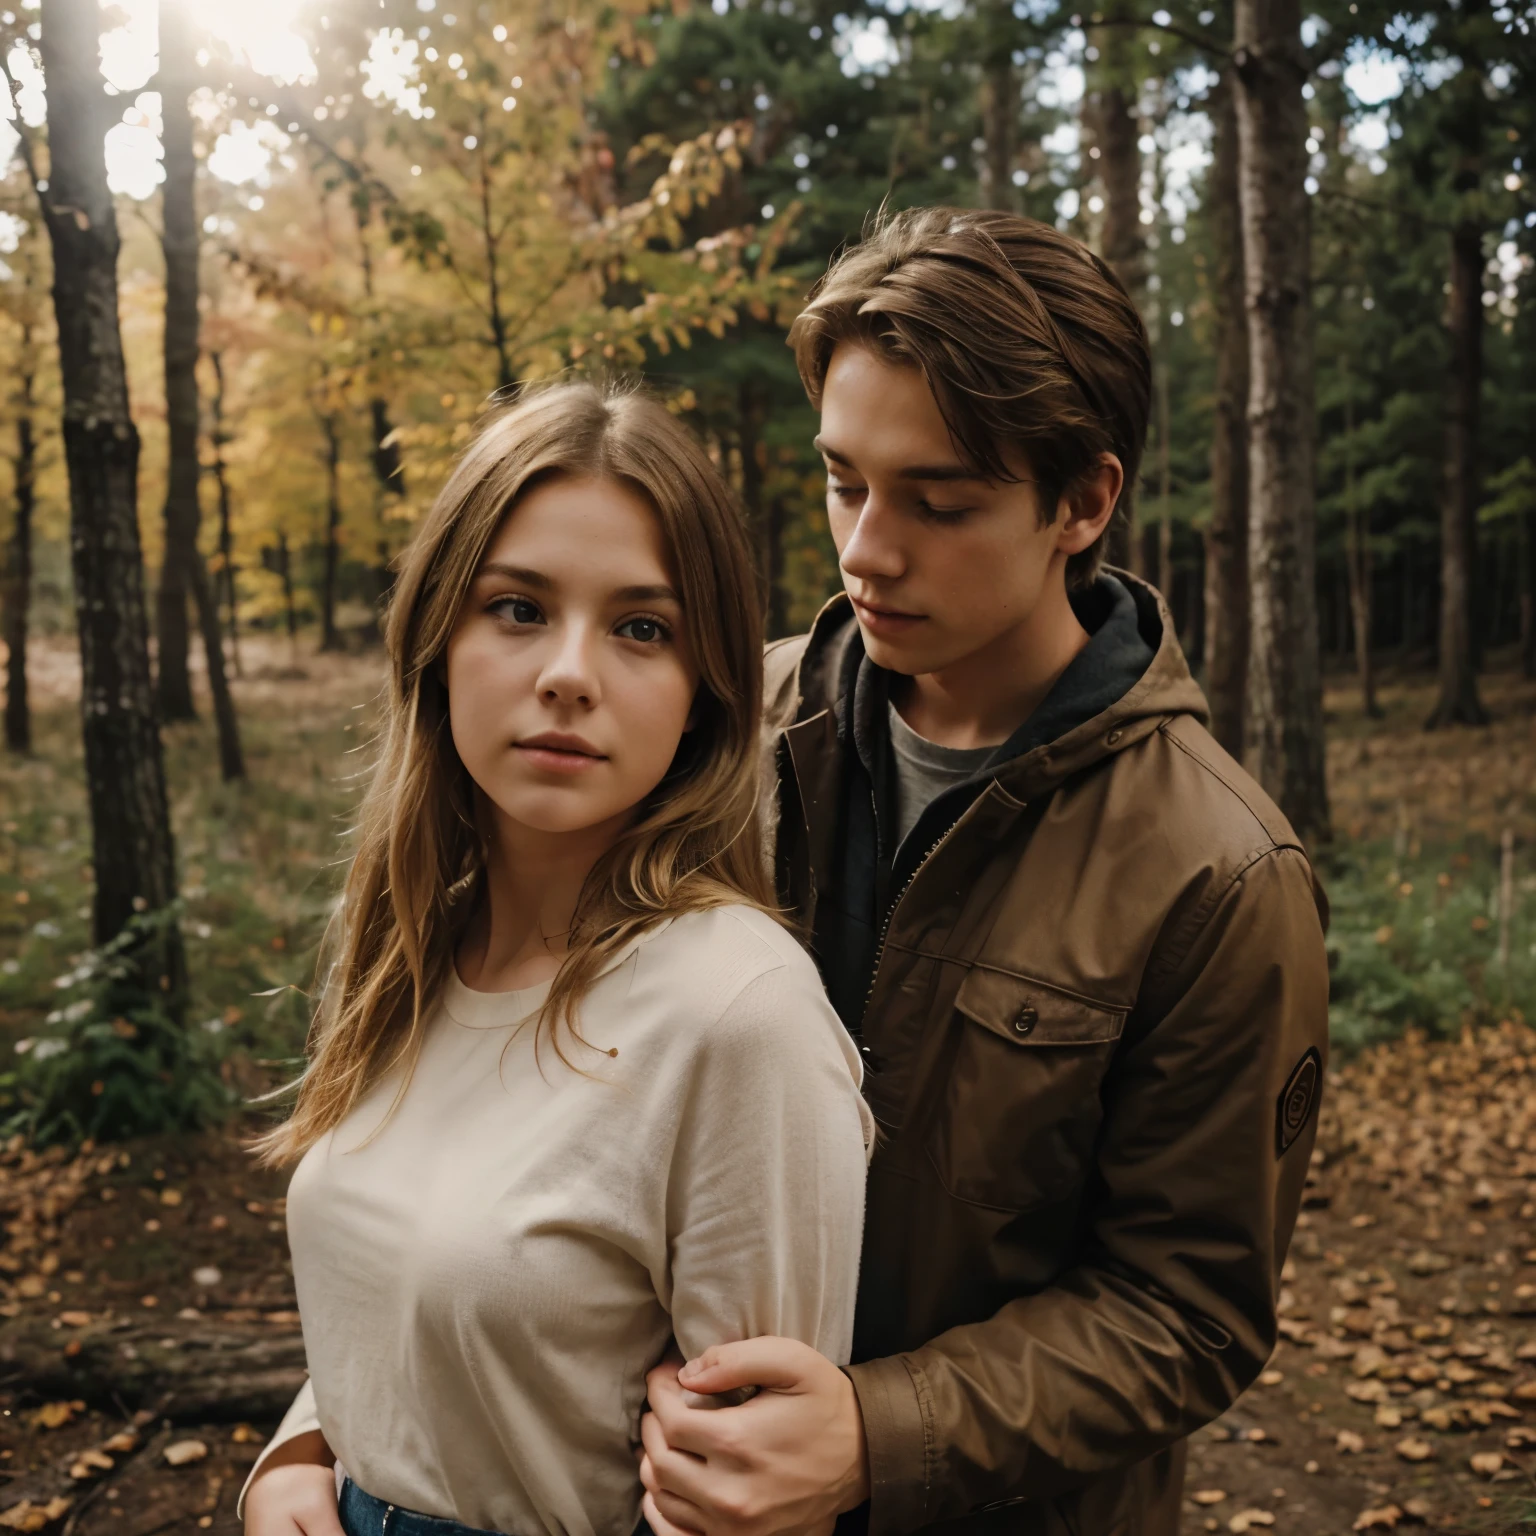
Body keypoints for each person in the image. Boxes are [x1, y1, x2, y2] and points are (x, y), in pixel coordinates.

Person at [638, 207, 1330, 1536]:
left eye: (939, 501)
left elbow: (1183, 1312)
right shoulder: (716, 730)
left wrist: (872, 1437)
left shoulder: (1223, 876)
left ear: (1085, 501)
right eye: (844, 481)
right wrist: (341, 1420)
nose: (866, 549)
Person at [238, 381, 873, 1536]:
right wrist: (302, 1455)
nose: (570, 672)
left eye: (642, 627)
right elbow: (409, 1291)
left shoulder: (738, 1013)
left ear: (701, 694)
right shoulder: (410, 947)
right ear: (438, 638)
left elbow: (747, 1501)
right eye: (518, 607)